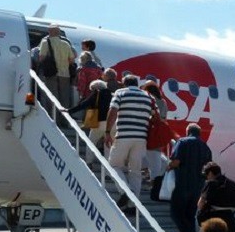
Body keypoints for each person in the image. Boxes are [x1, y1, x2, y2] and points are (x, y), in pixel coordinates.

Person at [105, 75, 157, 212]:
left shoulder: (120, 93)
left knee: (113, 165)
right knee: (135, 171)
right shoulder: (148, 96)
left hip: (124, 135)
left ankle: (126, 192)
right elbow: (156, 116)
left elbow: (113, 111)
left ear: (124, 83)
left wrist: (107, 132)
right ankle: (133, 206)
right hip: (141, 138)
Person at [168, 123, 212, 232]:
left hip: (183, 184)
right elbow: (209, 168)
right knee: (190, 214)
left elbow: (176, 161)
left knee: (176, 213)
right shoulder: (205, 146)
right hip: (198, 187)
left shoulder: (182, 142)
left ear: (188, 131)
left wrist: (168, 167)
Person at [197, 162, 235, 232]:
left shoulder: (210, 184)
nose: (206, 177)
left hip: (212, 222)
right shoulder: (231, 183)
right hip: (230, 221)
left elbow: (200, 204)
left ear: (211, 173)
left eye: (206, 175)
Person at [66, 79, 114, 165]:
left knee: (91, 142)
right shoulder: (111, 95)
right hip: (111, 123)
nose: (91, 91)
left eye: (91, 89)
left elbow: (84, 104)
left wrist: (69, 111)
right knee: (108, 145)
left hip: (99, 122)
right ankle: (109, 167)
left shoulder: (97, 93)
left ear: (95, 88)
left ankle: (89, 162)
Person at [38, 24, 76, 115]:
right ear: (58, 32)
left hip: (51, 74)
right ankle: (65, 119)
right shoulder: (66, 44)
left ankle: (53, 117)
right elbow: (71, 59)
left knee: (52, 96)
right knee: (64, 97)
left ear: (50, 32)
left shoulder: (45, 42)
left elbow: (41, 58)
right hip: (65, 74)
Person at [142, 79, 169, 181]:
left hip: (147, 129)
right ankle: (153, 180)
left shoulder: (147, 99)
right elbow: (164, 118)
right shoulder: (163, 102)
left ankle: (145, 171)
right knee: (155, 159)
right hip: (158, 131)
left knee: (143, 152)